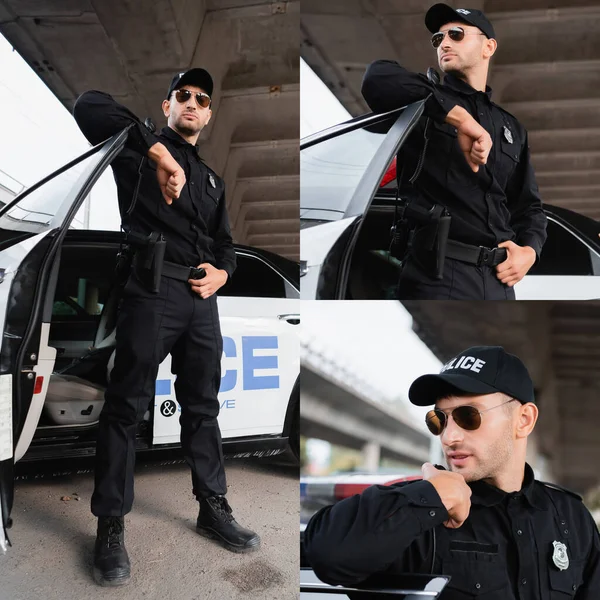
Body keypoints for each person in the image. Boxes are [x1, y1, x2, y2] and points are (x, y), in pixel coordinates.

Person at [73, 68, 260, 587]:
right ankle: (110, 525)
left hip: (202, 299)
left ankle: (212, 506)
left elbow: (226, 246)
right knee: (125, 405)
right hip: (151, 290)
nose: (193, 103)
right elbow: (89, 101)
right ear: (167, 104)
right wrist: (159, 156)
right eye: (184, 96)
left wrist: (223, 272)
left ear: (210, 112)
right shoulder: (138, 150)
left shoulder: (214, 179)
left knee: (202, 406)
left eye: (202, 98)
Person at [304, 346, 600, 598]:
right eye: (439, 420)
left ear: (523, 420)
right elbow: (328, 556)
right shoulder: (420, 515)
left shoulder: (570, 518)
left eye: (468, 416)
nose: (448, 437)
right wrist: (428, 497)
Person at [362, 4, 547, 300]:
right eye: (438, 38)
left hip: (499, 282)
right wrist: (459, 118)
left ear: (488, 47)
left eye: (456, 34)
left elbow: (529, 208)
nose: (444, 43)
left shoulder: (512, 128)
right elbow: (376, 77)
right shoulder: (424, 102)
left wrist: (530, 251)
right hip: (436, 273)